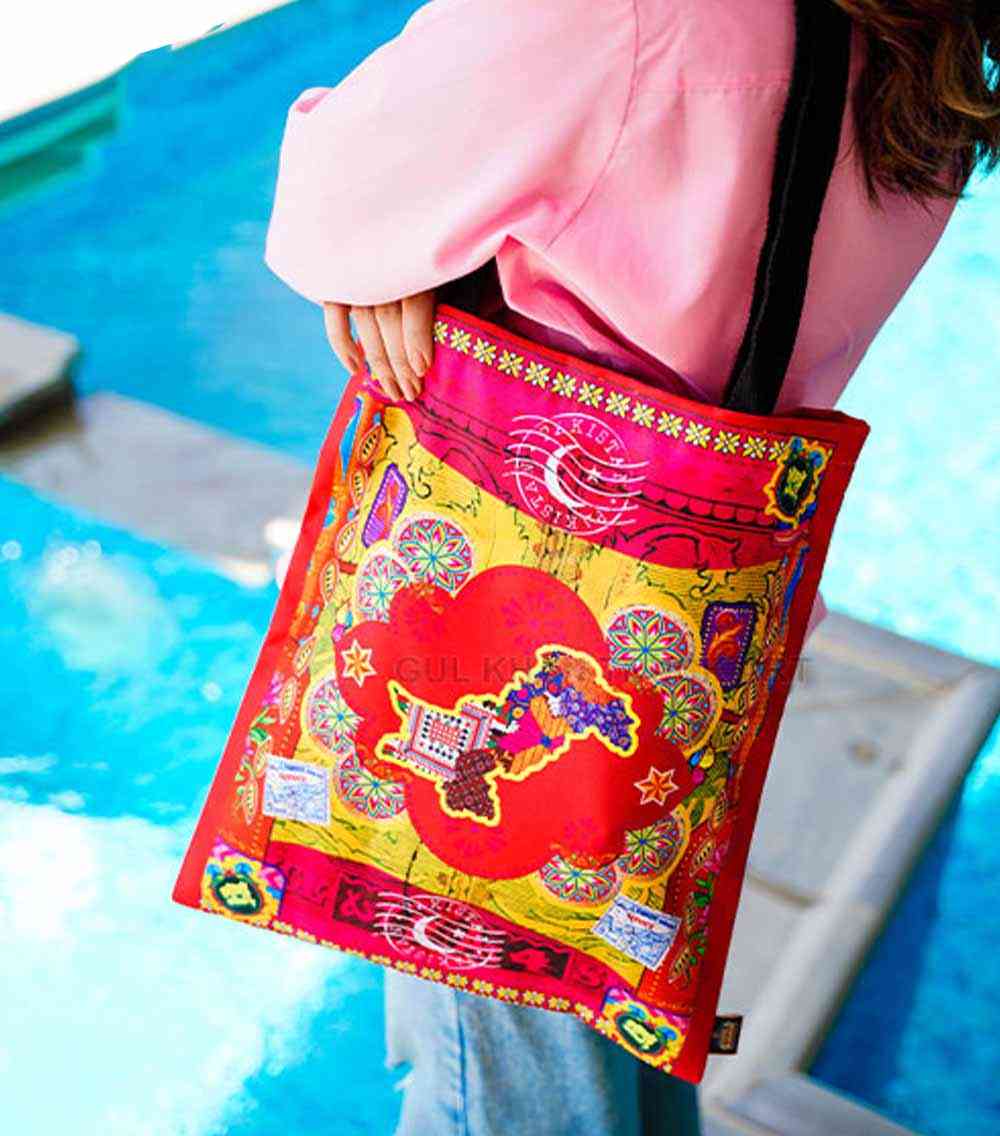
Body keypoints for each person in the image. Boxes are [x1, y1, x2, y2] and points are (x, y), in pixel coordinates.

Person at [261, 2, 999, 1132]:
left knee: (498, 1084)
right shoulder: (927, 44)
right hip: (689, 636)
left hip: (498, 602)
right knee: (621, 1026)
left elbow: (342, 190)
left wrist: (395, 260)